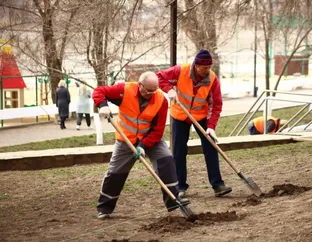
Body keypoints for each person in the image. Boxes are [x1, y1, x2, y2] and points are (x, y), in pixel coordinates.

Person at [92, 71, 190, 220]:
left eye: (154, 90)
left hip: (151, 139)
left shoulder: (161, 101)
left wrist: (143, 146)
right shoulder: (124, 90)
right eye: (148, 90)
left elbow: (158, 131)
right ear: (140, 85)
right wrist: (103, 105)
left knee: (167, 161)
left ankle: (173, 200)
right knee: (115, 172)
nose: (151, 93)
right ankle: (105, 207)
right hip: (126, 139)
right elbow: (99, 91)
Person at [157, 49, 232, 198]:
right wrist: (169, 90)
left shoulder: (212, 79)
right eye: (204, 68)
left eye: (209, 67)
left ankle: (218, 184)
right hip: (180, 115)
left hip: (201, 116)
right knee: (179, 150)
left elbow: (216, 104)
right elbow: (158, 77)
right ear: (196, 65)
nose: (207, 70)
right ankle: (180, 186)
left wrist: (211, 127)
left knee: (211, 147)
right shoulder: (181, 71)